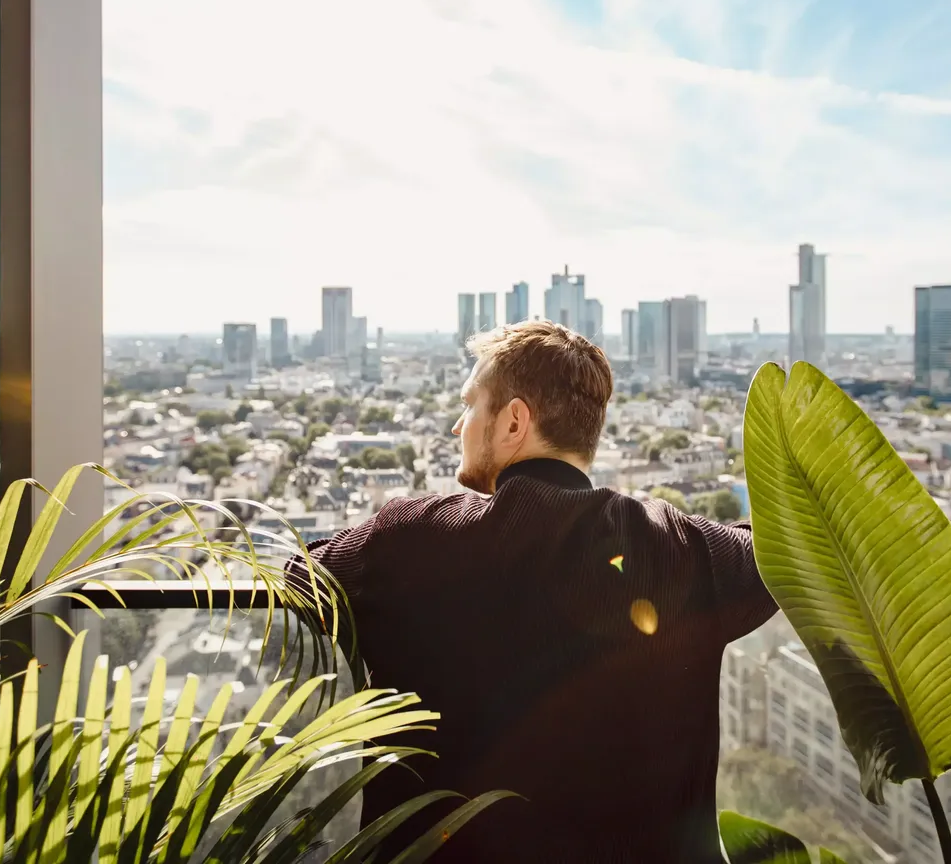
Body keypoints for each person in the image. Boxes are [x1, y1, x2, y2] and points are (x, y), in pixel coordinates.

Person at [286, 320, 776, 862]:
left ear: (514, 421)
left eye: (471, 404)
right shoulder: (681, 548)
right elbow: (787, 548)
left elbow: (293, 576)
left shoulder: (410, 540)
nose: (457, 425)